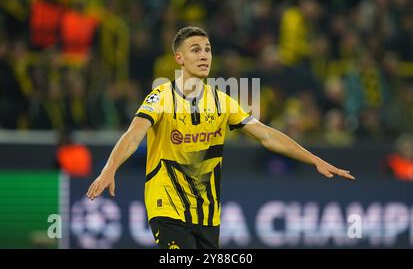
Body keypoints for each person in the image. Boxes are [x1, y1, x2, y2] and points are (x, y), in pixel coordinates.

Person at [86, 26, 355, 249]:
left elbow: (267, 136)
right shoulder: (161, 97)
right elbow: (133, 135)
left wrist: (314, 159)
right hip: (167, 206)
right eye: (195, 50)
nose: (204, 55)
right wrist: (110, 169)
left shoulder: (222, 101)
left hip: (207, 214)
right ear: (179, 58)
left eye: (207, 49)